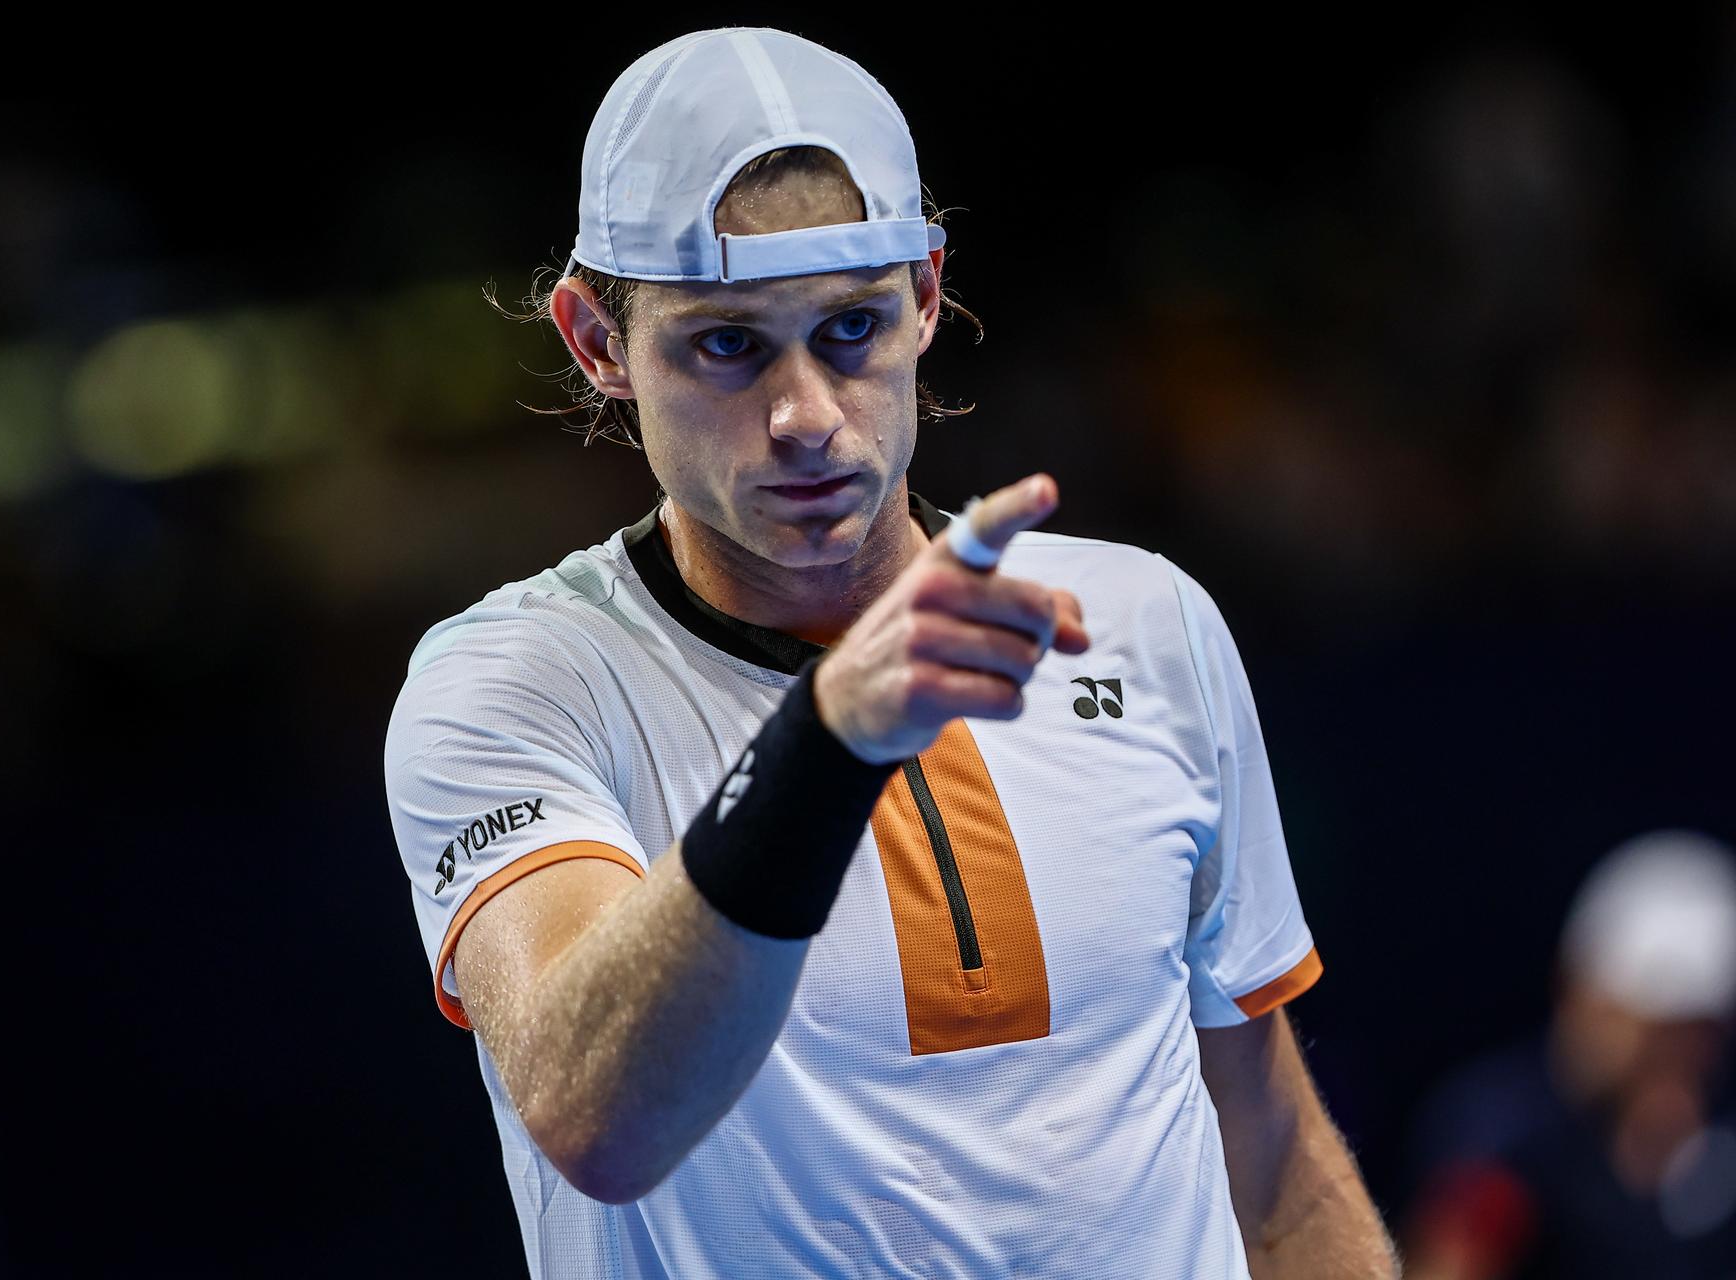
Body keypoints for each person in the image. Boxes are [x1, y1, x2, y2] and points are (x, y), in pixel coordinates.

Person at [385, 26, 1397, 1278]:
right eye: (727, 342)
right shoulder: (514, 679)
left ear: (926, 296)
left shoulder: (1147, 621)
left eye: (852, 327)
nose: (807, 415)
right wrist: (829, 734)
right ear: (599, 342)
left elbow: (1276, 1160)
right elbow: (597, 1112)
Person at [1402, 830, 1736, 1280]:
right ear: (1577, 988)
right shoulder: (1503, 1134)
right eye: (1653, 1027)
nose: (1674, 1058)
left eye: (1695, 1034)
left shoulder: (1710, 1149)